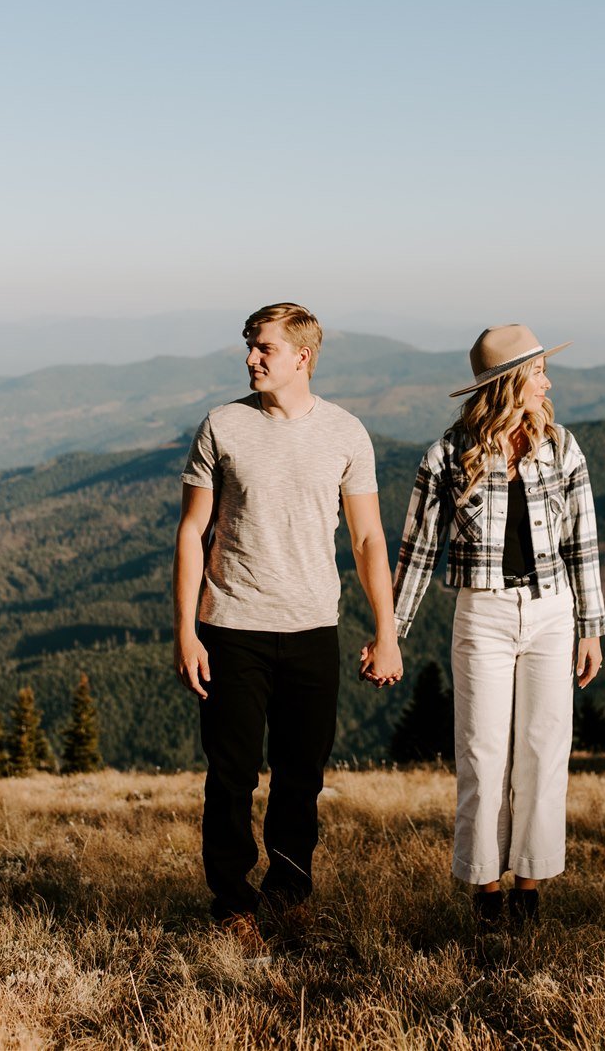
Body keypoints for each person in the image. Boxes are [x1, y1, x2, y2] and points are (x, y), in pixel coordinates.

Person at [173, 302, 403, 942]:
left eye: (263, 348)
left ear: (301, 357)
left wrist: (387, 632)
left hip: (312, 631)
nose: (251, 358)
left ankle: (288, 894)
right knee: (231, 777)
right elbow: (193, 531)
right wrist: (186, 630)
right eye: (249, 346)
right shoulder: (221, 426)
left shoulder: (346, 434)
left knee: (301, 777)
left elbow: (367, 541)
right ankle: (232, 905)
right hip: (231, 627)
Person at [392, 323, 605, 932]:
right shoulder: (447, 455)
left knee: (544, 751)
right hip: (481, 614)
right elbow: (417, 549)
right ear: (510, 382)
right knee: (482, 757)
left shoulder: (562, 448)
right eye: (538, 372)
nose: (547, 381)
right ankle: (486, 894)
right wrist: (392, 632)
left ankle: (529, 893)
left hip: (551, 613)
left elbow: (581, 544)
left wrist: (590, 628)